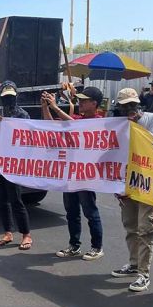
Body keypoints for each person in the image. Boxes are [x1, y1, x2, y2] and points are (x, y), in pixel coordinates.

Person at [110, 88, 153, 292]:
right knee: (130, 225)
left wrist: (134, 127)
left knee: (146, 228)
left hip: (148, 182)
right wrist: (116, 183)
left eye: (132, 104)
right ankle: (133, 264)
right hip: (127, 182)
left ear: (138, 103)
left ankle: (144, 273)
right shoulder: (117, 125)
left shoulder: (152, 119)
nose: (129, 109)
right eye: (125, 106)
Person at [42, 86, 105, 261]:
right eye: (80, 99)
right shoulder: (78, 117)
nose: (80, 103)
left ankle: (97, 247)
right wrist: (46, 106)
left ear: (95, 103)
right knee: (71, 211)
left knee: (90, 211)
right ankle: (74, 245)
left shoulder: (99, 121)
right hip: (70, 172)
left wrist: (56, 107)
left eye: (84, 100)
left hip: (86, 174)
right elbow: (51, 125)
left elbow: (78, 127)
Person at [0, 82, 33, 250]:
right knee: (2, 199)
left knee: (16, 199)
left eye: (11, 97)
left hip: (14, 162)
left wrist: (8, 124)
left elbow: (27, 136)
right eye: (5, 97)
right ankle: (7, 232)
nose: (8, 100)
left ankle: (26, 234)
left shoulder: (22, 114)